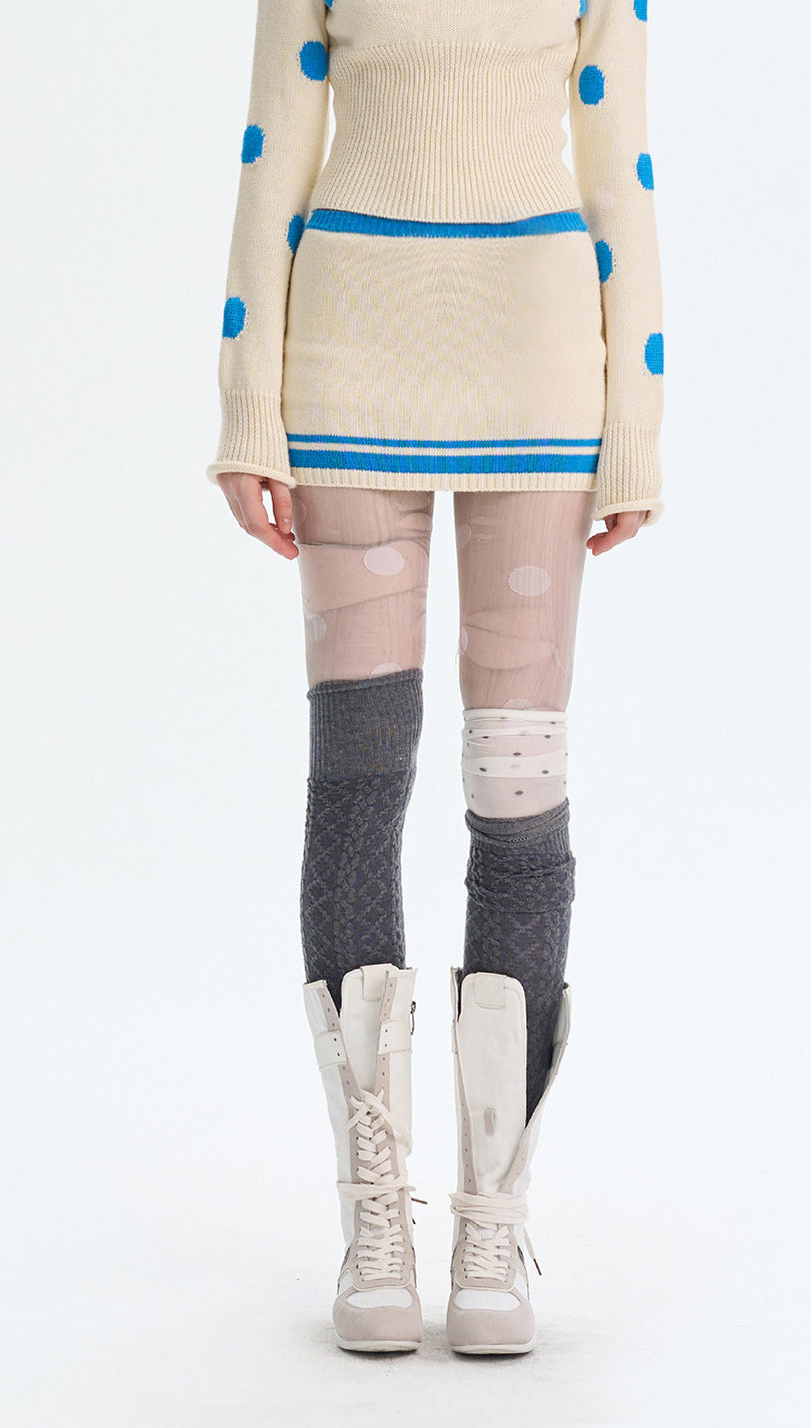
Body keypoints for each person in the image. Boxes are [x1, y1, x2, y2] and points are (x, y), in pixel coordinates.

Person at [206, 0, 665, 1356]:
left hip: (539, 366)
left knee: (519, 794)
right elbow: (272, 156)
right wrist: (247, 408)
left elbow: (621, 170)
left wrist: (636, 423)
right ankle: (375, 1217)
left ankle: (490, 1218)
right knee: (357, 782)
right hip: (350, 363)